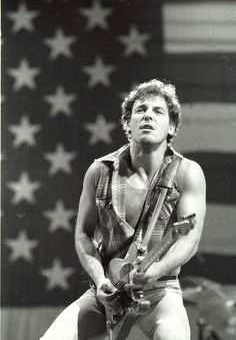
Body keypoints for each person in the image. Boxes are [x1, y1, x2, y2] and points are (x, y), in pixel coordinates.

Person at [40, 78, 206, 340]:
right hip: (109, 291)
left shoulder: (187, 172)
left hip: (160, 290)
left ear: (172, 126)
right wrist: (100, 281)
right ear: (128, 124)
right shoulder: (99, 170)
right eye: (140, 110)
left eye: (157, 111)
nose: (147, 115)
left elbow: (189, 240)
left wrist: (153, 273)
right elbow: (83, 233)